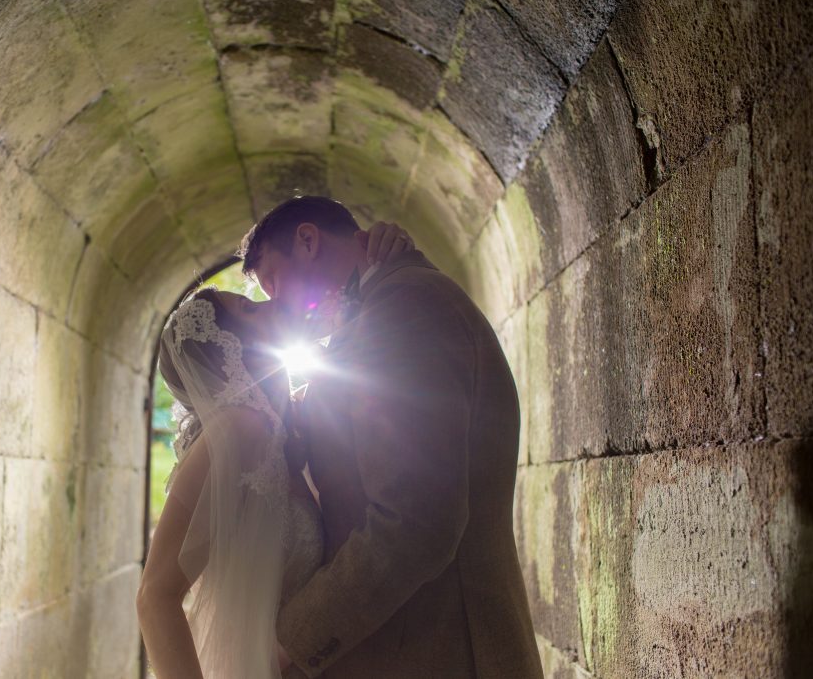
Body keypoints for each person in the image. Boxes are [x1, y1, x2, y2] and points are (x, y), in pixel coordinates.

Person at [240, 196, 543, 678]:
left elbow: (416, 520)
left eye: (274, 283)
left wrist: (290, 640)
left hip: (441, 652)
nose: (278, 306)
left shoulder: (401, 311)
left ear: (307, 239)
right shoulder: (384, 308)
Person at [137, 219, 413, 679]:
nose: (268, 309)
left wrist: (383, 260)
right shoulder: (241, 429)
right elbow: (155, 596)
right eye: (247, 309)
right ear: (227, 353)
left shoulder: (279, 432)